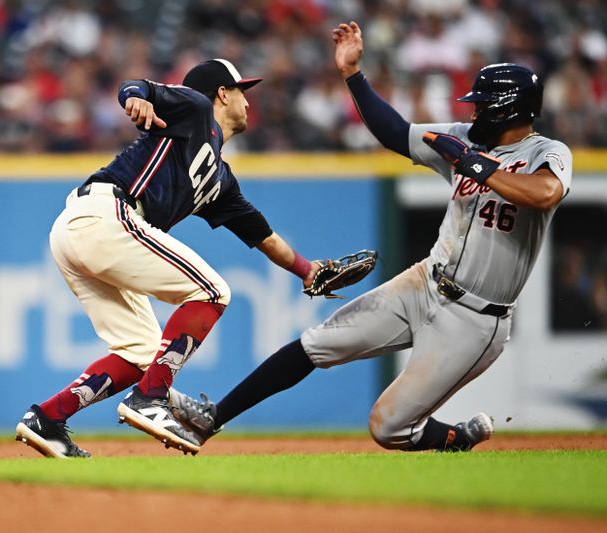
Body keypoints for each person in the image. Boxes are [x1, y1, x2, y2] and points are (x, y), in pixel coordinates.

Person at [169, 21, 573, 453]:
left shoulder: (545, 153)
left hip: (476, 318)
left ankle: (457, 438)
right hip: (425, 283)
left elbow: (544, 194)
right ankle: (210, 420)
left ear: (506, 109)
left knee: (387, 427)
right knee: (316, 343)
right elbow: (394, 132)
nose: (473, 112)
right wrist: (353, 76)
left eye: (481, 105)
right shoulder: (462, 139)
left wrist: (478, 167)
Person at [15, 59, 322, 457]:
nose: (248, 100)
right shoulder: (195, 108)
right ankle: (150, 398)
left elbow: (264, 237)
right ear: (223, 93)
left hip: (83, 229)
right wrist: (135, 100)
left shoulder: (221, 181)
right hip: (106, 215)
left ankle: (48, 419)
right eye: (241, 90)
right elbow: (136, 84)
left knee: (141, 352)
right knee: (212, 292)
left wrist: (307, 269)